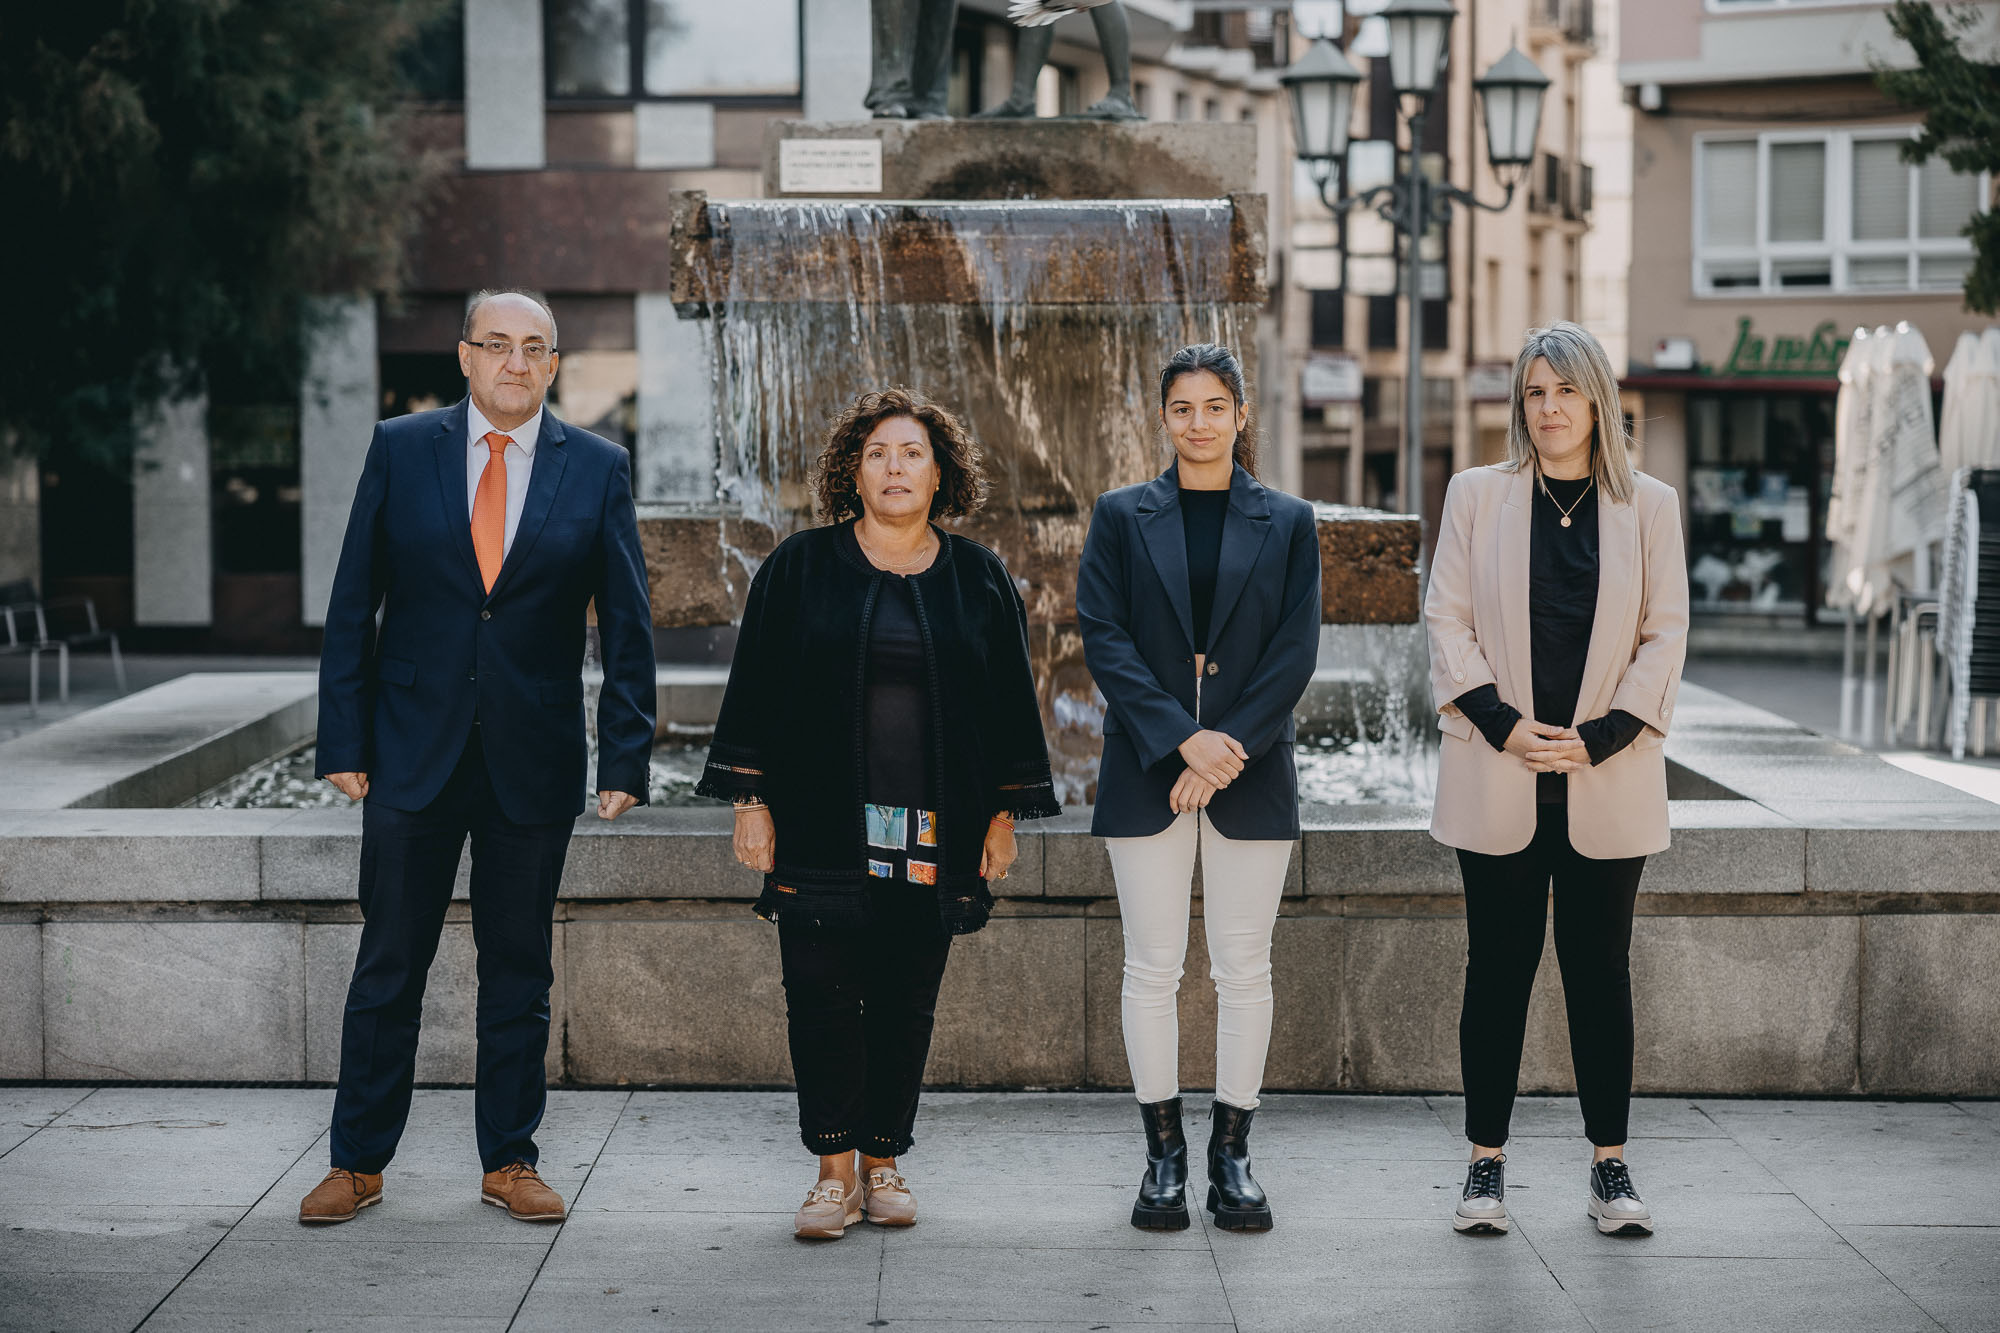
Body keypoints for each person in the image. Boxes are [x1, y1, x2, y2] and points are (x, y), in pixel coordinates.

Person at [299, 289, 656, 1226]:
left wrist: (626, 751)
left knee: (519, 970)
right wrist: (343, 738)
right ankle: (358, 1161)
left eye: (532, 347)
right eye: (495, 344)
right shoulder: (400, 447)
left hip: (532, 757)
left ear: (552, 363)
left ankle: (511, 1158)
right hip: (410, 751)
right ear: (463, 356)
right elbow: (352, 604)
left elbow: (627, 624)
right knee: (389, 964)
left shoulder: (599, 467)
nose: (514, 361)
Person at [697, 387, 1060, 1240]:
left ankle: (885, 1160)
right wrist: (750, 800)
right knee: (818, 993)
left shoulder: (978, 577)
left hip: (935, 832)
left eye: (912, 454)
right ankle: (832, 1172)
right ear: (852, 474)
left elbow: (1011, 704)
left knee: (906, 997)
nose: (895, 467)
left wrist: (1003, 816)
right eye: (877, 454)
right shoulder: (799, 567)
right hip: (824, 823)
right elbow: (754, 689)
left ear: (941, 476)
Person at [1424, 320, 1688, 1238]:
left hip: (1605, 775)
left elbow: (1665, 632)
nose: (1549, 409)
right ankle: (1483, 1165)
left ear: (1597, 400)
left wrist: (1601, 736)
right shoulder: (1476, 496)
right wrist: (1504, 725)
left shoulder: (1649, 504)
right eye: (1534, 393)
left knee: (1599, 971)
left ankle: (1609, 1168)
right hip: (1500, 771)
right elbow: (1446, 618)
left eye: (1565, 391)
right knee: (1495, 970)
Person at [1076, 344, 1321, 1233]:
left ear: (1240, 414)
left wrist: (1226, 750)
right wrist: (1182, 739)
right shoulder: (1119, 516)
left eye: (1215, 406)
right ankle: (1164, 1157)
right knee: (1151, 967)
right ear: (1164, 416)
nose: (1199, 422)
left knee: (1242, 967)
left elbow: (1295, 651)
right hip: (1147, 768)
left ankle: (1233, 1154)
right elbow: (1104, 636)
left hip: (1252, 776)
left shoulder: (1289, 520)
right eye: (1183, 407)